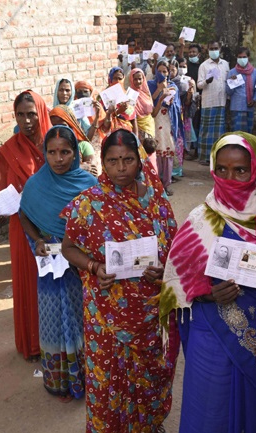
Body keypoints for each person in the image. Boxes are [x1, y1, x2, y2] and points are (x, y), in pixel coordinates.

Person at [160, 132, 256, 433]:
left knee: (254, 409)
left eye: (240, 170)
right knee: (209, 408)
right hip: (209, 332)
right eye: (221, 169)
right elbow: (175, 282)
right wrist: (208, 294)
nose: (229, 178)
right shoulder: (200, 220)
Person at [61, 129, 179, 432]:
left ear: (139, 161)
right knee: (109, 379)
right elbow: (68, 247)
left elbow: (175, 246)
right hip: (106, 314)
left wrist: (164, 268)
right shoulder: (89, 204)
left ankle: (149, 424)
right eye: (112, 161)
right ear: (103, 163)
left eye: (128, 159)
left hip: (150, 310)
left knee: (151, 375)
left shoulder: (156, 200)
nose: (121, 168)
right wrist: (93, 266)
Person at [18, 125, 98, 402]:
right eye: (52, 152)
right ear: (45, 153)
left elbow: (100, 223)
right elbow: (24, 214)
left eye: (65, 152)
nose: (59, 159)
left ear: (75, 153)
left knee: (83, 318)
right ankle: (59, 379)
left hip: (83, 267)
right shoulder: (36, 184)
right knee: (53, 317)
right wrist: (37, 240)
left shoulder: (89, 184)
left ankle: (89, 378)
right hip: (51, 267)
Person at [0, 90, 53, 361]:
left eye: (31, 114)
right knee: (29, 282)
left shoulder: (56, 143)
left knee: (56, 282)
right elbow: (3, 188)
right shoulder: (9, 150)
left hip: (54, 222)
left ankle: (60, 343)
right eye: (20, 115)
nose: (26, 121)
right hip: (22, 225)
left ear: (41, 113)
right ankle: (33, 343)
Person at [149, 60, 183, 195]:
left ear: (169, 72)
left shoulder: (173, 86)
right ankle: (156, 183)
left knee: (168, 152)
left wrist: (171, 100)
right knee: (156, 151)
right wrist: (159, 90)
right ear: (155, 72)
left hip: (168, 121)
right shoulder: (150, 85)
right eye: (160, 71)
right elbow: (149, 102)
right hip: (155, 120)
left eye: (165, 71)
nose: (162, 74)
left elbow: (176, 105)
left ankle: (167, 184)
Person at [197, 41, 230, 165]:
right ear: (208, 50)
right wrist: (206, 81)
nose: (214, 50)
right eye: (211, 48)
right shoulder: (204, 66)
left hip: (221, 101)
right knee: (206, 130)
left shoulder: (225, 64)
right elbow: (199, 85)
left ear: (220, 49)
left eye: (216, 48)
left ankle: (218, 157)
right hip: (208, 102)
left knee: (219, 131)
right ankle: (205, 156)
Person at [49, 105, 97, 174]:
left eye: (63, 126)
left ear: (71, 126)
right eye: (54, 126)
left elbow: (92, 172)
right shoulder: (47, 148)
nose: (58, 130)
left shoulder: (83, 145)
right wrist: (79, 167)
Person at [226, 47, 256, 133]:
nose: (242, 59)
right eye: (240, 57)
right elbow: (228, 92)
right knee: (236, 133)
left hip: (249, 107)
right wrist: (232, 83)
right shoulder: (232, 72)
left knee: (248, 133)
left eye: (244, 57)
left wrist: (254, 100)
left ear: (248, 57)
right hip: (236, 107)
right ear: (236, 58)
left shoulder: (254, 72)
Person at [173, 57, 197, 174]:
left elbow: (187, 102)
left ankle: (178, 170)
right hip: (169, 118)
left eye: (184, 66)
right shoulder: (165, 84)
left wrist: (189, 93)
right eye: (170, 70)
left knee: (180, 143)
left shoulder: (186, 81)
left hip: (182, 116)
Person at [130, 68, 155, 139]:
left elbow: (153, 111)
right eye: (135, 79)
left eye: (140, 79)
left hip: (150, 125)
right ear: (131, 79)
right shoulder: (130, 95)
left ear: (143, 79)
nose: (138, 81)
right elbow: (130, 114)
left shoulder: (146, 92)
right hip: (138, 127)